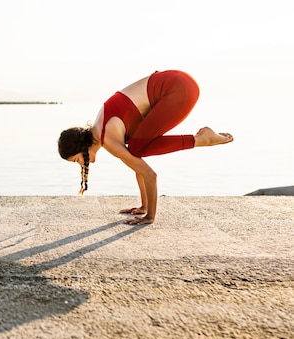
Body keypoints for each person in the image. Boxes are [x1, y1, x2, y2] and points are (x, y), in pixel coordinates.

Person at [57, 70, 233, 225]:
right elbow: (137, 166)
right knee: (137, 148)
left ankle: (203, 139)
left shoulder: (108, 138)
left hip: (179, 89)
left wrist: (150, 216)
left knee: (138, 148)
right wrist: (143, 206)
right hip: (179, 83)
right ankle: (202, 139)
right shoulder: (101, 128)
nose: (81, 164)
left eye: (76, 160)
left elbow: (149, 174)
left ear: (80, 147)